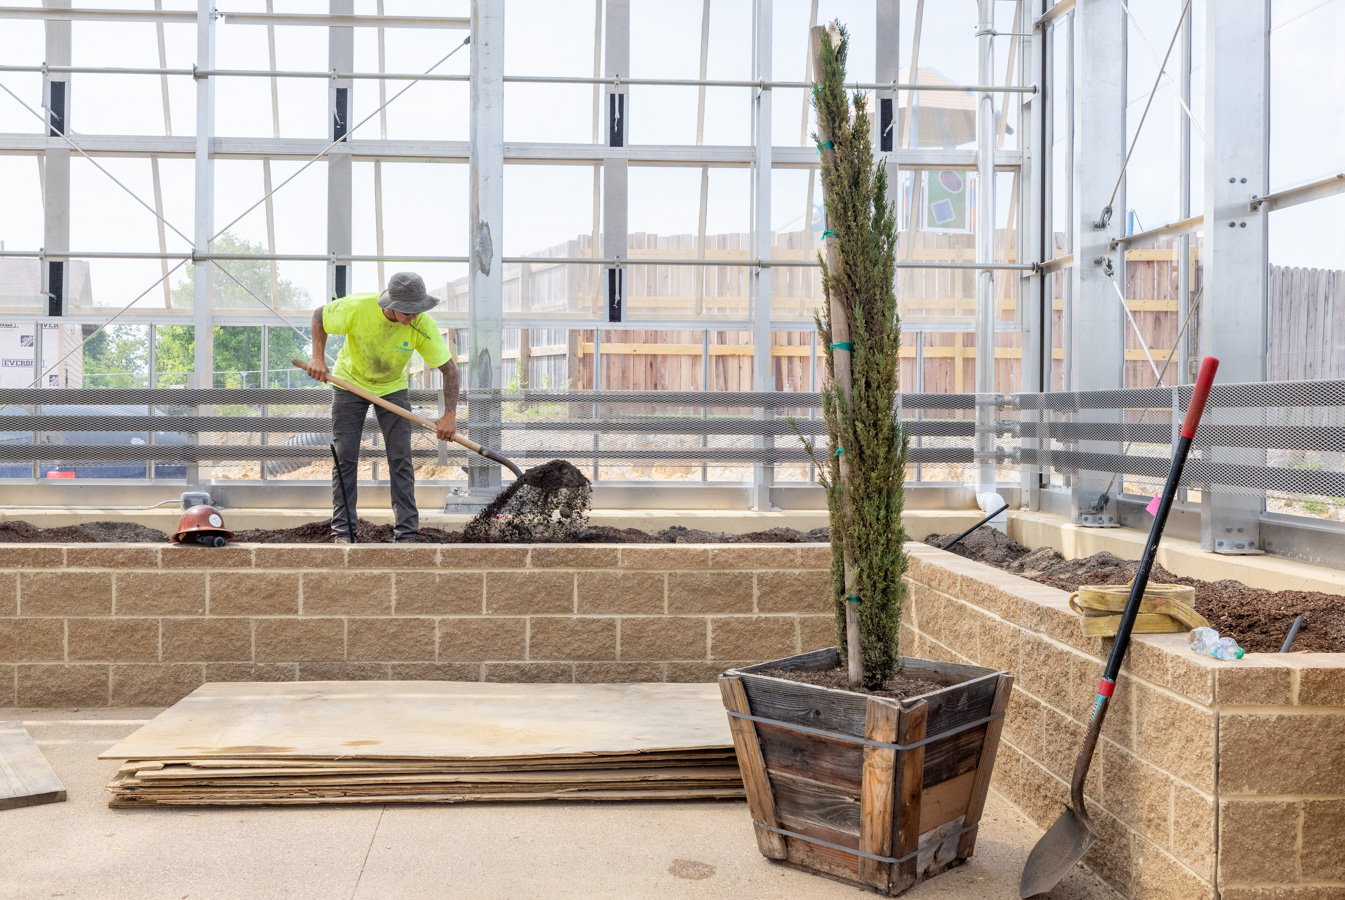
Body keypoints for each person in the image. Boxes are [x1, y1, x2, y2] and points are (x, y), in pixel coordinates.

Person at [303, 272, 459, 543]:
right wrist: (317, 357)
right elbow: (320, 316)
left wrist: (449, 416)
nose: (414, 316)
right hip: (349, 383)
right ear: (392, 304)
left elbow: (450, 371)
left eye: (418, 310)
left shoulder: (421, 324)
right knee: (345, 457)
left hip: (391, 388)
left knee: (400, 458)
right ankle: (344, 531)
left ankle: (407, 532)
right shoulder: (358, 307)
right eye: (409, 311)